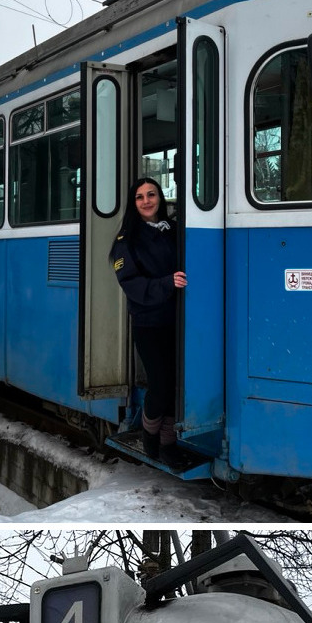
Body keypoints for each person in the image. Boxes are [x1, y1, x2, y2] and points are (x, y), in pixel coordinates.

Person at [111, 176, 188, 455]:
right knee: (160, 384)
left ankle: (168, 444)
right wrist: (166, 283)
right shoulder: (126, 240)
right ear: (134, 203)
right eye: (140, 197)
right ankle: (149, 435)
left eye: (152, 194)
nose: (147, 201)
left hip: (177, 321)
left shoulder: (174, 230)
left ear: (160, 198)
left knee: (175, 384)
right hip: (149, 324)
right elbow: (131, 283)